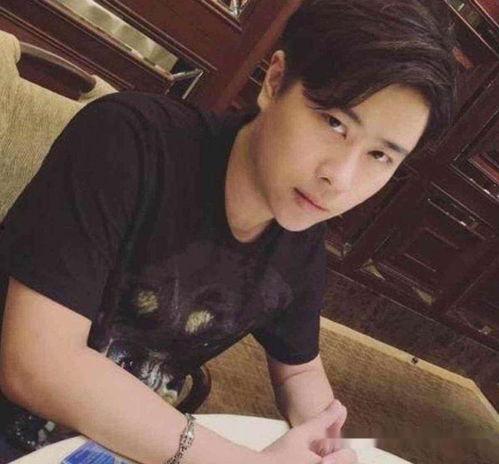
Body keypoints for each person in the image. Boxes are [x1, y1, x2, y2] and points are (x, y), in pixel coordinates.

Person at [0, 0, 457, 463]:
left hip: (111, 444)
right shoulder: (130, 142)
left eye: (380, 155)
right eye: (334, 123)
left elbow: (298, 371)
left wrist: (330, 444)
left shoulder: (299, 240)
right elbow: (37, 363)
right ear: (275, 81)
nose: (340, 178)